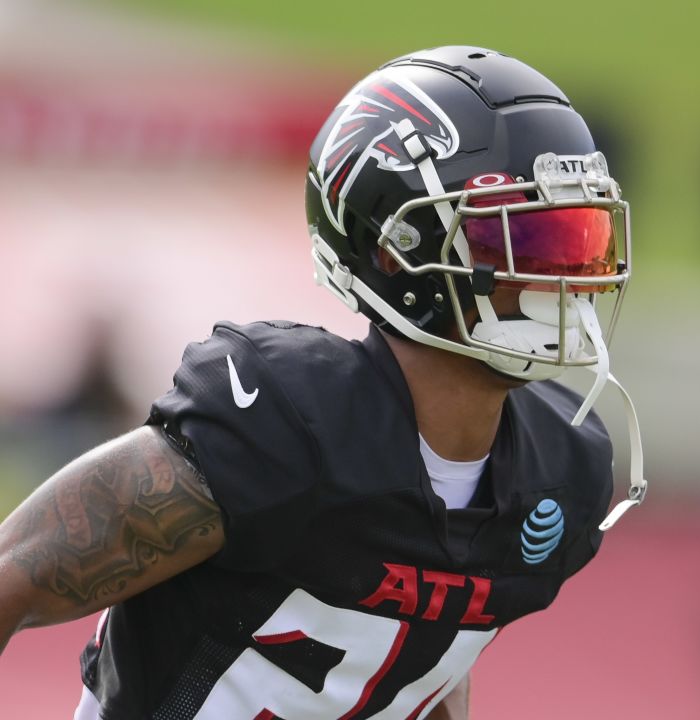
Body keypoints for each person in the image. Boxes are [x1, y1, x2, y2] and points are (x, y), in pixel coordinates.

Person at [0, 45, 646, 719]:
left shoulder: (559, 469)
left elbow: (424, 666)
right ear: (400, 248)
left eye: (576, 239)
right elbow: (14, 571)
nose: (560, 279)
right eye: (527, 243)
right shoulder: (285, 427)